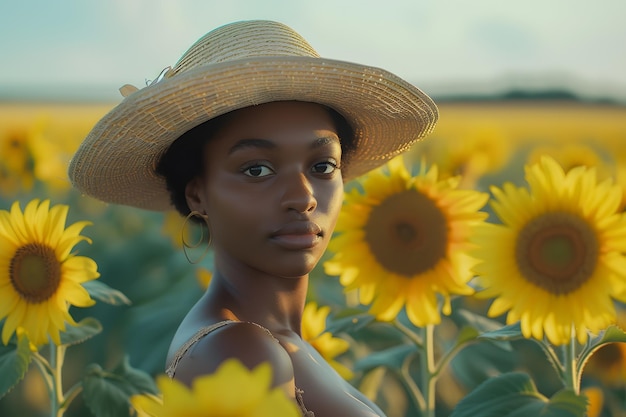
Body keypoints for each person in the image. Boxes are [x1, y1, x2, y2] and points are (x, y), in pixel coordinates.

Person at [68, 20, 438, 417]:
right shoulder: (239, 351)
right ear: (198, 193)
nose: (303, 197)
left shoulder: (273, 339)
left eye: (323, 165)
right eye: (257, 170)